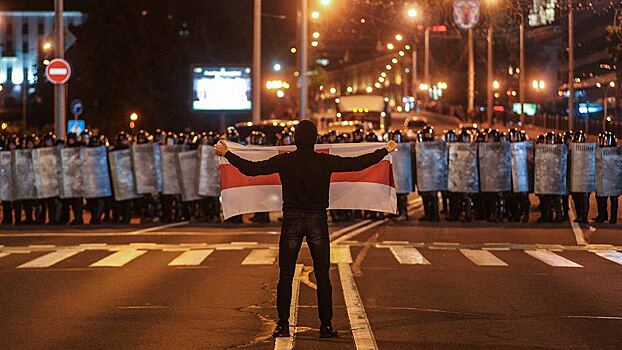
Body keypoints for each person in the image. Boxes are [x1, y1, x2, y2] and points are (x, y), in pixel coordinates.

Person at [214, 120, 397, 338]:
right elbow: (357, 163)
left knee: (286, 275)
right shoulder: (324, 161)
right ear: (315, 140)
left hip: (291, 219)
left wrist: (227, 153)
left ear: (294, 140)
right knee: (322, 276)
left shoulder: (285, 160)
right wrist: (384, 149)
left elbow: (252, 169)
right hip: (317, 219)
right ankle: (326, 326)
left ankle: (282, 325)